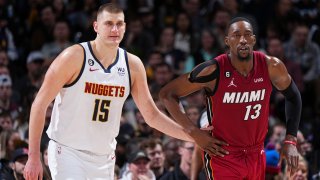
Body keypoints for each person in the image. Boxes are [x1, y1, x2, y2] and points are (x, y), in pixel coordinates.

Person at [24, 3, 196, 179]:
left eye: (119, 24)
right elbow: (39, 104)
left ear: (125, 27)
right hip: (68, 152)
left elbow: (151, 115)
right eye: (108, 23)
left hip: (105, 157)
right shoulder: (73, 57)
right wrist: (33, 156)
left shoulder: (132, 65)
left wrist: (194, 136)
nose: (115, 29)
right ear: (96, 26)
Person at [160, 17, 302, 179]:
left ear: (254, 40)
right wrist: (194, 132)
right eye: (236, 35)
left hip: (256, 153)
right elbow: (167, 94)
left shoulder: (272, 66)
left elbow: (294, 96)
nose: (243, 40)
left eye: (247, 35)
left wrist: (291, 140)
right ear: (227, 41)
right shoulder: (213, 70)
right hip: (223, 154)